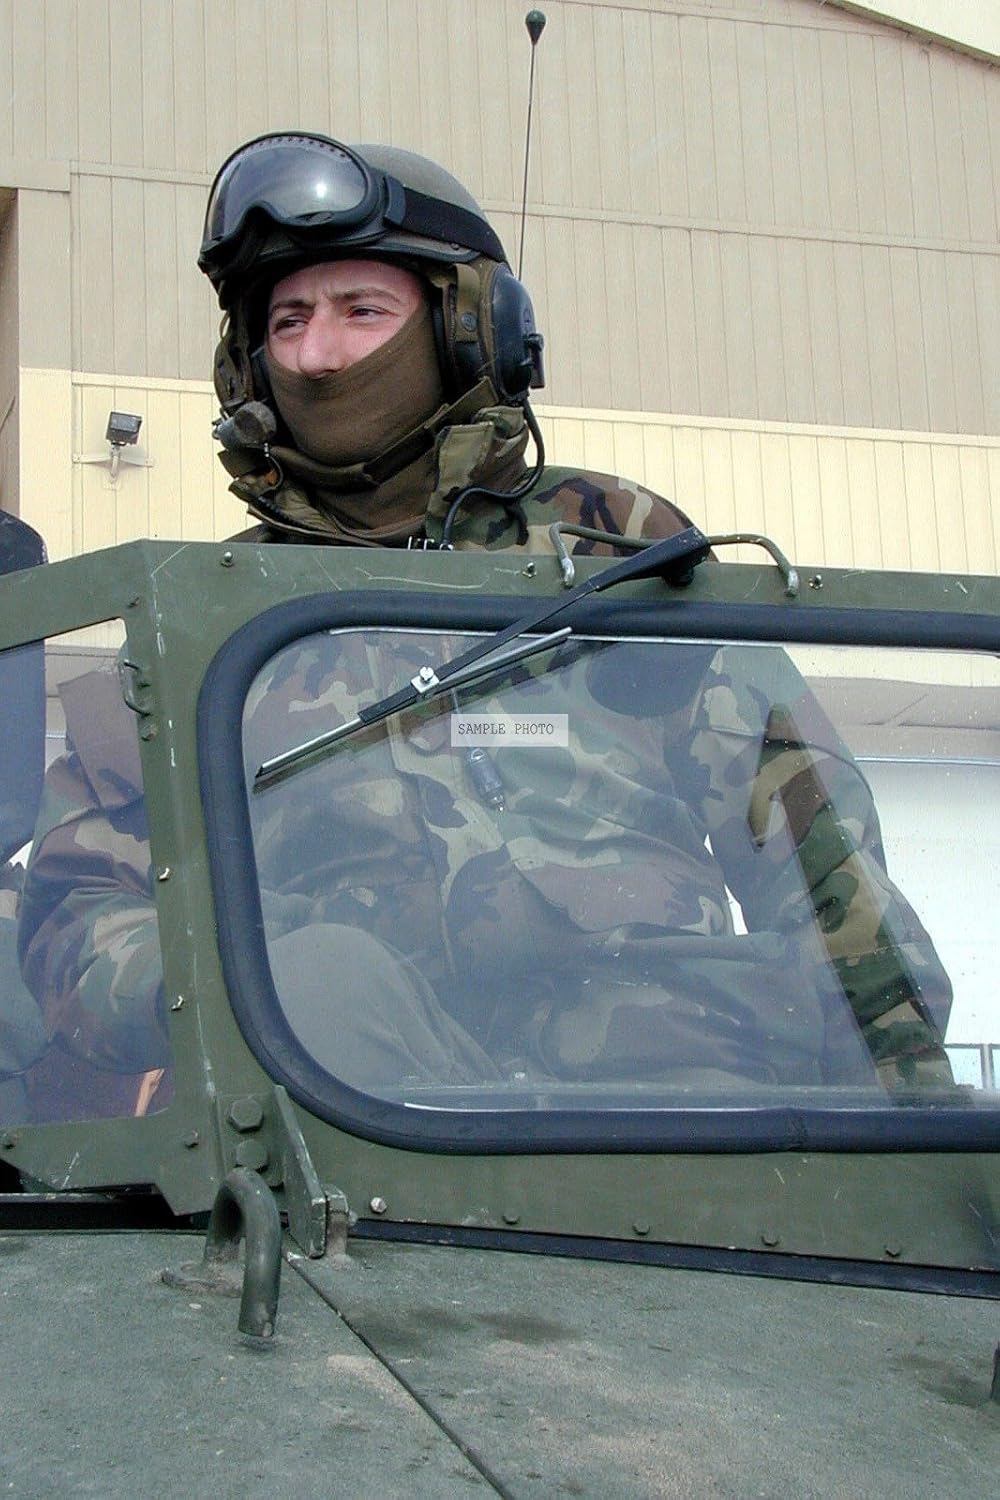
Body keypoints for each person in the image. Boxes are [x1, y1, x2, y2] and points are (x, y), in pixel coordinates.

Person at [16, 133, 955, 1111]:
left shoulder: (618, 544)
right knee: (328, 985)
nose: (318, 356)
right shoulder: (208, 613)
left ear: (468, 332)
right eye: (287, 321)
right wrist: (251, 974)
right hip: (348, 1112)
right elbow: (78, 910)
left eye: (361, 311)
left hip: (668, 1103)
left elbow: (816, 853)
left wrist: (914, 1114)